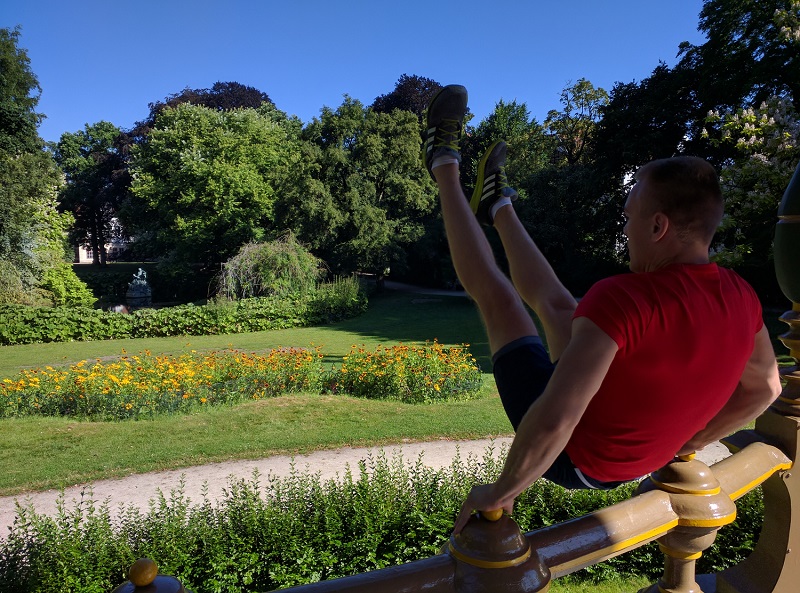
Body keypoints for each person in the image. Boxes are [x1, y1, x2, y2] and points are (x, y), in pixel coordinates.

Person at [420, 85, 783, 535]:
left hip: (577, 459)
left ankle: (442, 160)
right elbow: (765, 387)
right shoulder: (742, 296)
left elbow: (557, 417)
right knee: (559, 307)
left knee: (500, 299)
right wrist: (693, 441)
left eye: (628, 216)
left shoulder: (627, 296)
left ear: (658, 225)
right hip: (628, 453)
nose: (625, 228)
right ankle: (498, 203)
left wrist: (502, 491)